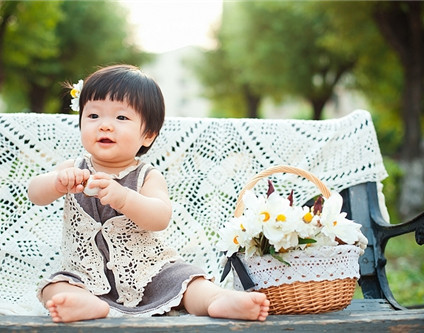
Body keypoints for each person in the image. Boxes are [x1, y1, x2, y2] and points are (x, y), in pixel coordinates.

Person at [28, 64, 270, 323]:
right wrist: (56, 182)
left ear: (148, 135)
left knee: (186, 280)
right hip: (85, 275)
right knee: (55, 286)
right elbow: (34, 193)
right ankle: (85, 304)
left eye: (121, 118)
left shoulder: (147, 176)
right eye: (94, 116)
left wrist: (123, 197)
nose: (105, 126)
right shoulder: (72, 169)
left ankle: (216, 299)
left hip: (149, 271)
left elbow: (159, 217)